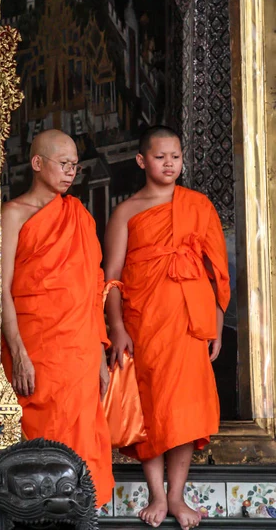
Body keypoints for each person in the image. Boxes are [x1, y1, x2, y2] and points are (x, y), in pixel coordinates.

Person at [104, 125, 230, 530]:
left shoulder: (198, 205)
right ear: (142, 161)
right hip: (145, 323)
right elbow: (111, 277)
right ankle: (157, 494)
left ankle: (176, 495)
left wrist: (217, 322)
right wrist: (118, 327)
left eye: (175, 156)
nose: (169, 164)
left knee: (186, 410)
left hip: (191, 321)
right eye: (160, 157)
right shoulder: (126, 211)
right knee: (154, 408)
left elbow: (215, 273)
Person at [1, 129, 114, 507]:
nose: (71, 173)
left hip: (79, 351)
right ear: (37, 164)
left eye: (74, 166)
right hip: (36, 347)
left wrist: (100, 354)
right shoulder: (13, 214)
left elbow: (91, 290)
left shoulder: (78, 217)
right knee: (38, 437)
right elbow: (0, 288)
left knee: (81, 442)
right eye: (63, 164)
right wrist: (17, 351)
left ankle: (78, 514)